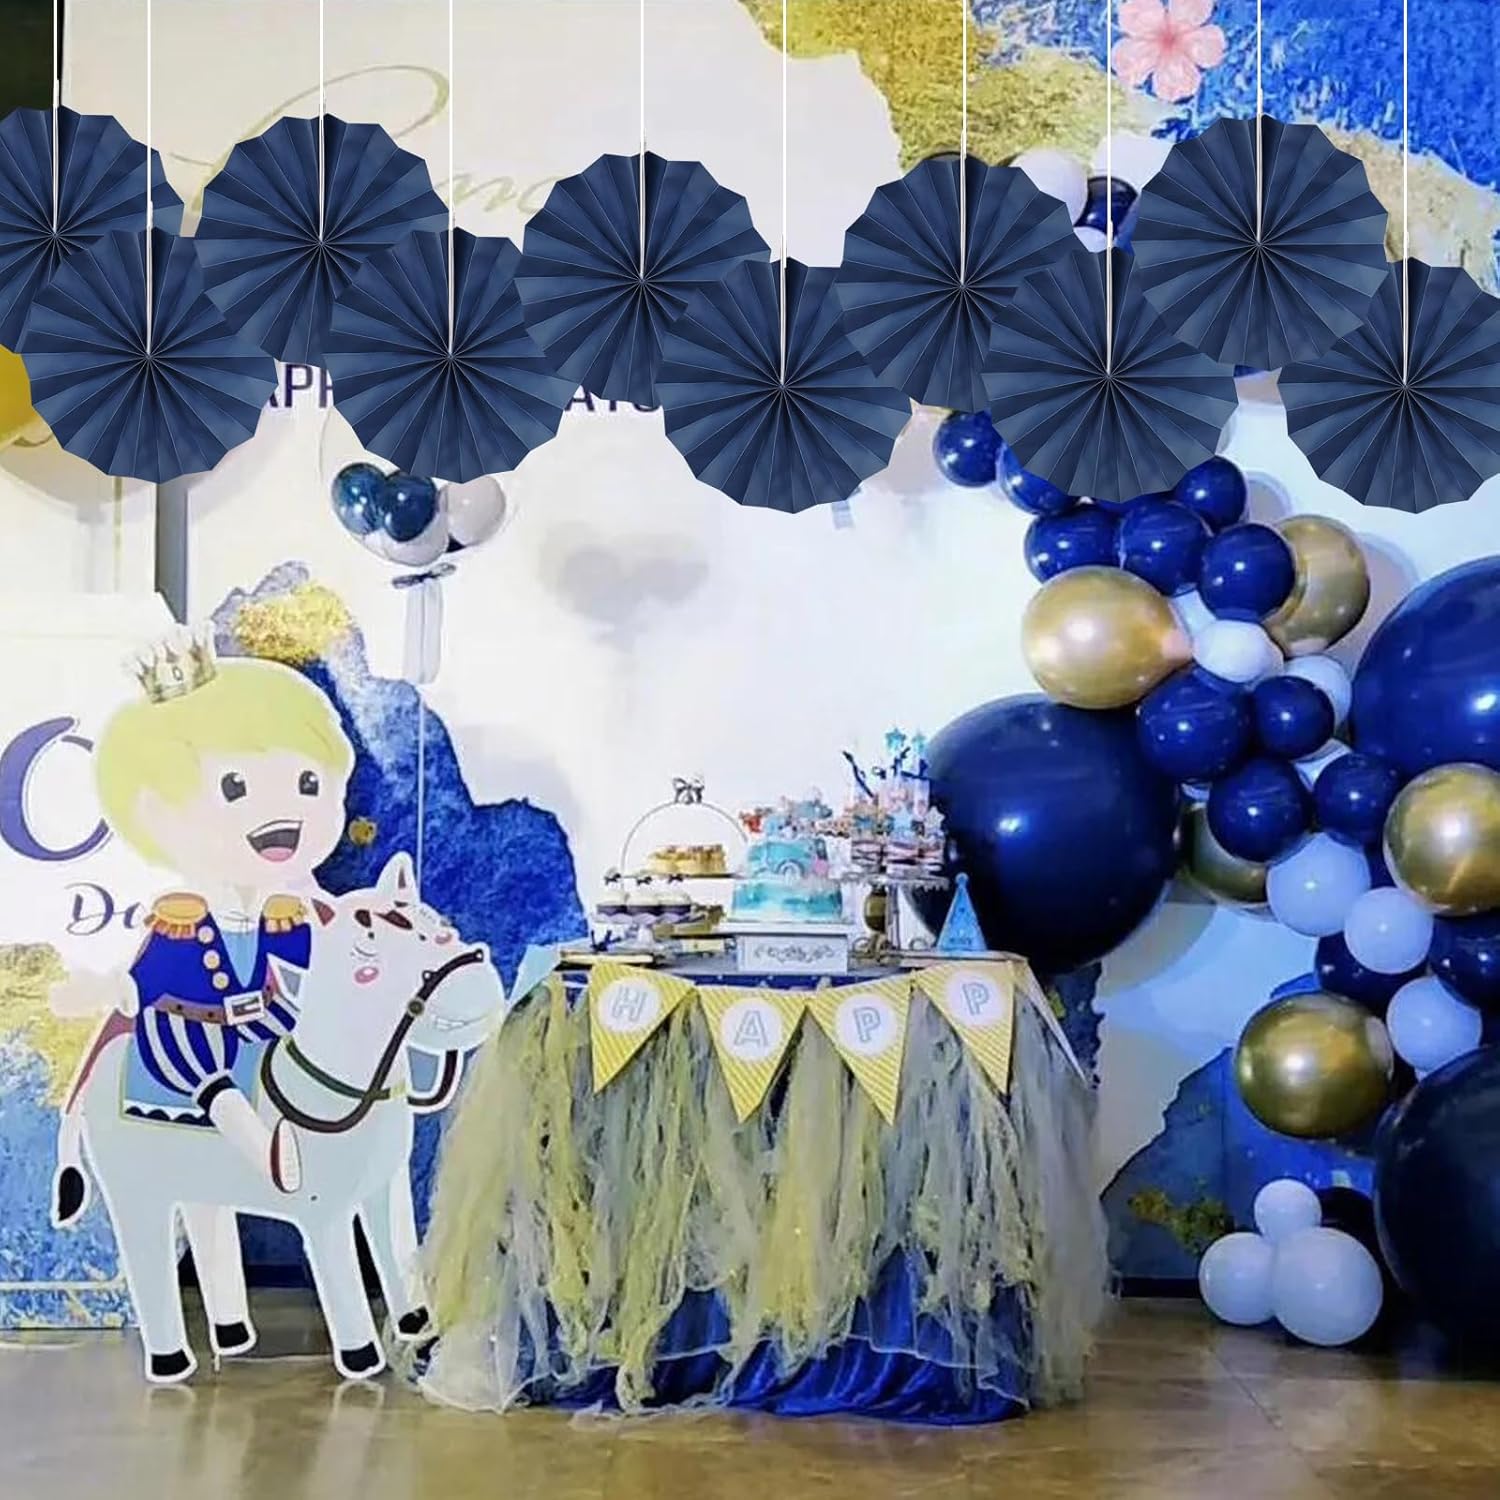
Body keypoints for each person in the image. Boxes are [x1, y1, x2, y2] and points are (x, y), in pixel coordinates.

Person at [52, 634, 354, 1220]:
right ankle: (262, 1150)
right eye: (234, 787)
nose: (281, 814)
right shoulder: (180, 919)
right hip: (189, 1025)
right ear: (153, 810)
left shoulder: (295, 915)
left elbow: (318, 977)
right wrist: (103, 987)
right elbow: (144, 985)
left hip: (269, 1022)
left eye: (308, 784)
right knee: (200, 1059)